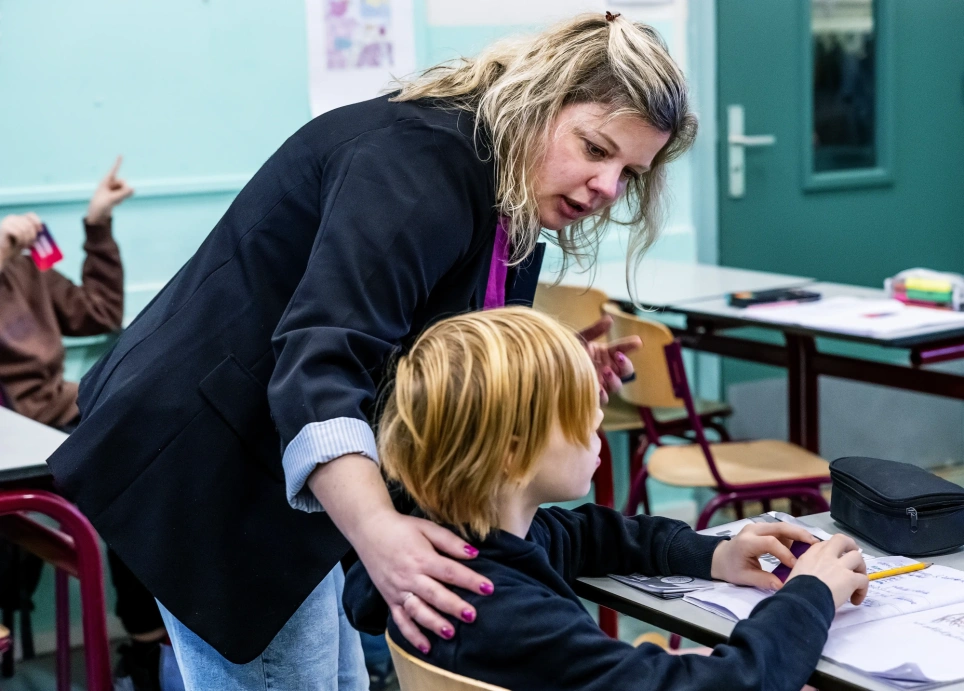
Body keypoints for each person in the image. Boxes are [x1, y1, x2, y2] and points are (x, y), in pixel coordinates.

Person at [47, 13, 694, 690]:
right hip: (207, 453)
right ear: (540, 100)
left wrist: (549, 379)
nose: (606, 189)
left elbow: (447, 356)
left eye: (629, 172)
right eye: (595, 149)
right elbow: (321, 363)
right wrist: (378, 531)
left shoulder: (512, 195)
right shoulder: (420, 164)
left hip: (284, 460)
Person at [344, 307, 870, 691]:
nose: (599, 421)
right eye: (580, 413)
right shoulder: (506, 614)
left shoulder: (460, 544)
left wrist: (712, 554)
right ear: (512, 453)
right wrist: (808, 595)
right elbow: (732, 685)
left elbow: (581, 533)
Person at [0, 161, 183, 691]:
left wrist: (96, 224)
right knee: (120, 480)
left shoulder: (22, 261)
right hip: (19, 435)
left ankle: (150, 647)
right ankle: (149, 650)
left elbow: (96, 313)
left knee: (148, 467)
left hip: (63, 417)